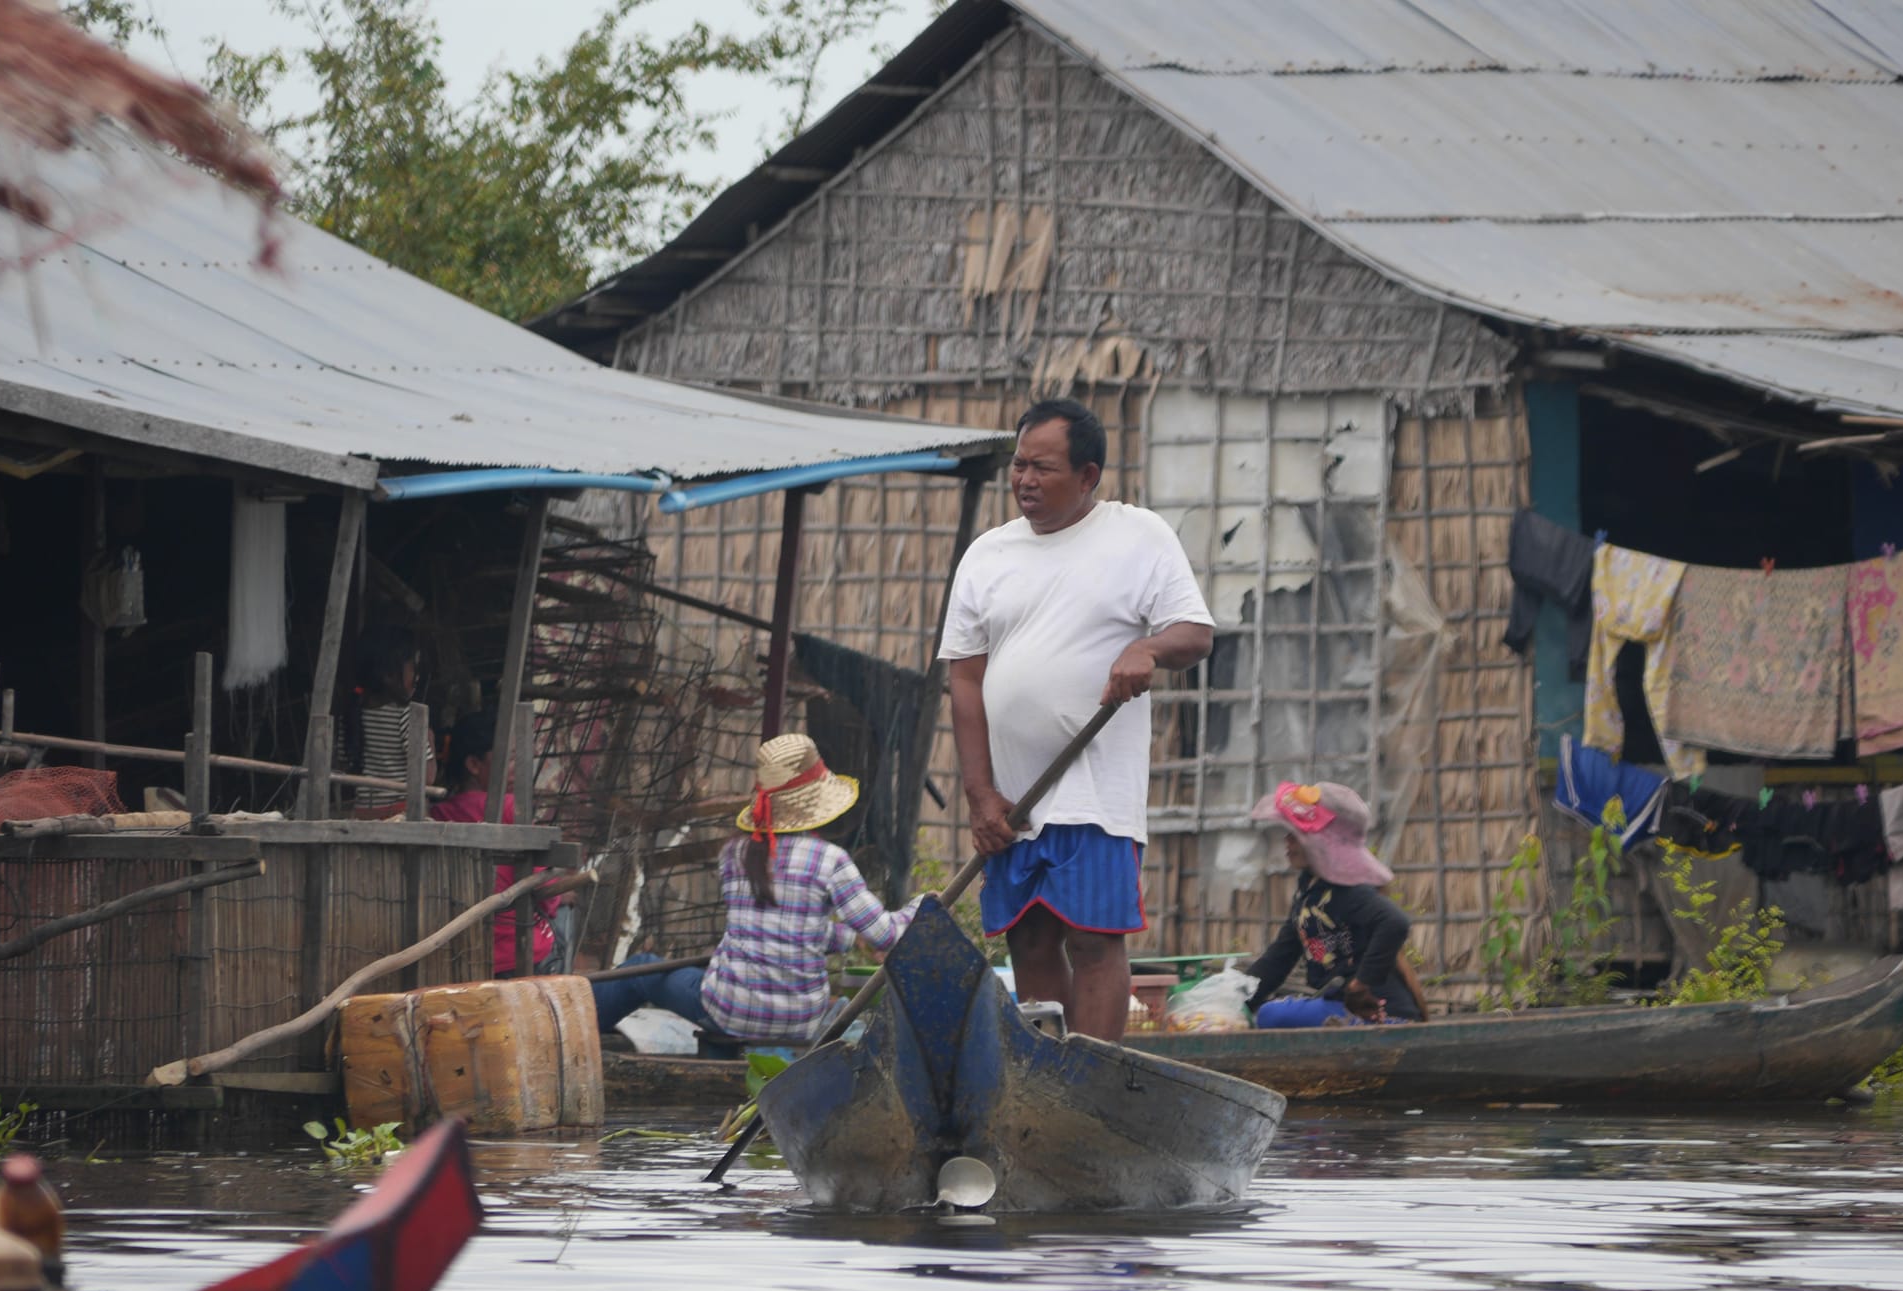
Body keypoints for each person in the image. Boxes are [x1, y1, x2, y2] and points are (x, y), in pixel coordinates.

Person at [940, 397, 1214, 1041]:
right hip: (1013, 801)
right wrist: (981, 796)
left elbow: (1195, 634)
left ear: (1088, 475)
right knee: (1029, 942)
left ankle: (1092, 1076)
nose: (1024, 480)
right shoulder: (987, 554)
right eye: (1018, 464)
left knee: (1093, 939)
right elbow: (965, 679)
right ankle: (1047, 1078)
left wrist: (1147, 648)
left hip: (1093, 791)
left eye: (1043, 467)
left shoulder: (1137, 535)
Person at [591, 733, 924, 1047]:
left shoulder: (733, 855)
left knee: (642, 968)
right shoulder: (831, 860)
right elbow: (886, 935)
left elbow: (787, 927)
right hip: (801, 1021)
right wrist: (922, 906)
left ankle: (582, 1032)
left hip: (729, 1011)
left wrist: (851, 938)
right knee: (663, 969)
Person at [1245, 781, 1421, 1027]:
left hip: (1381, 1016)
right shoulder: (1310, 893)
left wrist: (1360, 985)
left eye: (1295, 835)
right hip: (1341, 1008)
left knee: (1271, 1015)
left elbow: (1395, 923)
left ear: (1319, 844)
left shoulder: (1346, 891)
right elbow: (1279, 958)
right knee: (1262, 1013)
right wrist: (1237, 998)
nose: (1287, 842)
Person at [429, 709, 584, 978]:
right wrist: (559, 896)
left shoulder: (439, 815)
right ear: (474, 765)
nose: (518, 768)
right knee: (564, 912)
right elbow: (544, 894)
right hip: (518, 953)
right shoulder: (511, 809)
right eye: (510, 758)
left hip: (460, 955)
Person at [339, 625, 434, 816]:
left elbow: (343, 767)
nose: (417, 676)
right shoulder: (406, 716)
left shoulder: (351, 716)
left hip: (363, 813)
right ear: (389, 675)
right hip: (401, 814)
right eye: (413, 668)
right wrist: (429, 737)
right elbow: (427, 777)